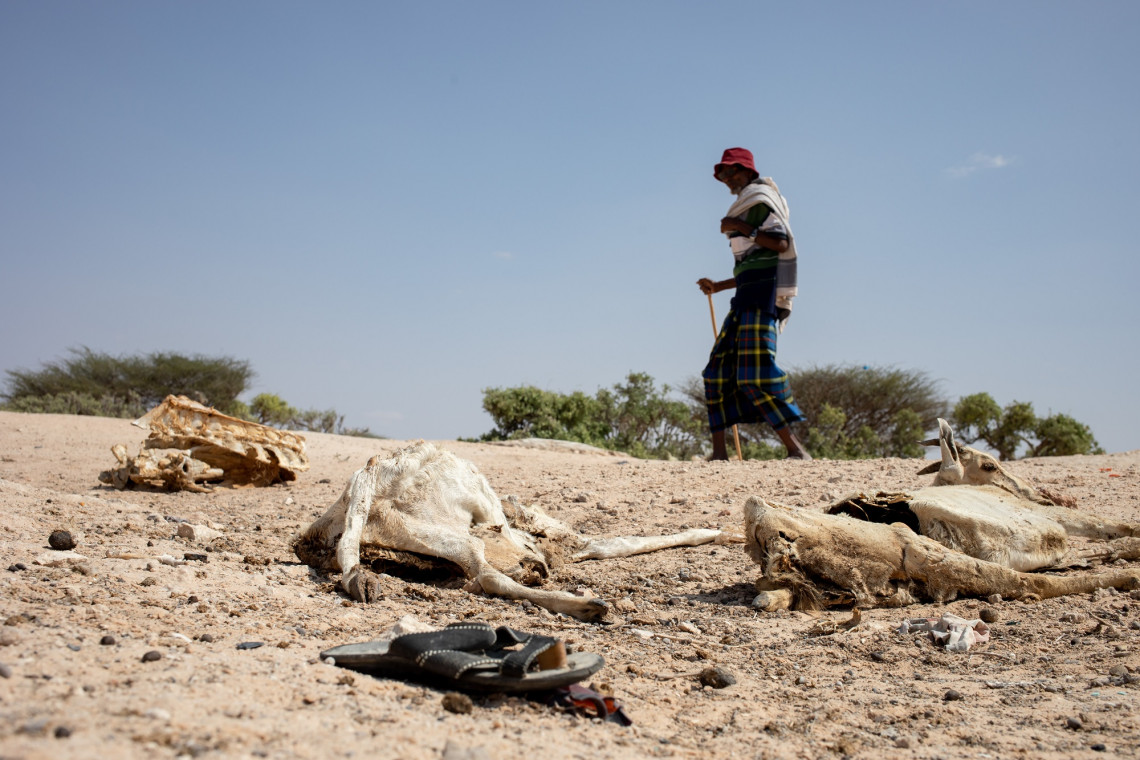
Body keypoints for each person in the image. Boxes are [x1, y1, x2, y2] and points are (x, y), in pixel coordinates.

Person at [697, 147, 811, 460]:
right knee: (716, 373)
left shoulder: (760, 201)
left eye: (733, 171)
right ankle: (719, 454)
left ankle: (796, 450)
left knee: (755, 375)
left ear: (749, 171)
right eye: (724, 174)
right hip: (744, 298)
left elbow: (781, 243)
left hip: (761, 300)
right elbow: (752, 265)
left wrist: (743, 227)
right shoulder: (744, 205)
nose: (728, 178)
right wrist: (718, 286)